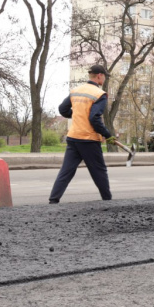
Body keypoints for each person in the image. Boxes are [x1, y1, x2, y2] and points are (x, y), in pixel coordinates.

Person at [49, 64, 116, 204]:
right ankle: (108, 200)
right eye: (104, 76)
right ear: (99, 76)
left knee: (66, 170)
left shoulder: (76, 90)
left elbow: (63, 109)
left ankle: (53, 199)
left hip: (73, 137)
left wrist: (77, 114)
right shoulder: (100, 94)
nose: (104, 79)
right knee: (99, 171)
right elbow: (94, 118)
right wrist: (107, 134)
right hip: (89, 139)